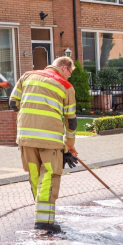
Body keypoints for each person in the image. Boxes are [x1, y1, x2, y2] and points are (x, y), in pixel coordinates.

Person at [9, 56, 78, 233]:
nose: (69, 77)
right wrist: (69, 145)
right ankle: (45, 222)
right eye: (70, 73)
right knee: (48, 176)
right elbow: (71, 122)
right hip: (50, 141)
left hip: (25, 138)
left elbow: (12, 102)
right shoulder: (66, 86)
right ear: (64, 68)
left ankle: (41, 216)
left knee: (34, 176)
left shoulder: (27, 76)